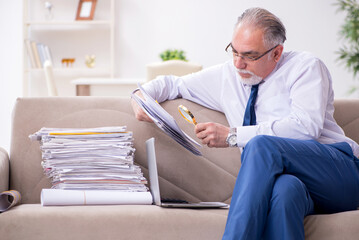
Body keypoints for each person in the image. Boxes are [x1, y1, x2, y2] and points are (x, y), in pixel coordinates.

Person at [131, 7, 359, 240]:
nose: (238, 64)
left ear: (277, 53)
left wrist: (233, 135)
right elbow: (173, 84)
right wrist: (141, 96)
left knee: (261, 145)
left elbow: (305, 127)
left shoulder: (306, 67)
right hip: (297, 183)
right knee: (285, 191)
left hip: (339, 173)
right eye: (234, 52)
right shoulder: (228, 76)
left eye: (249, 55)